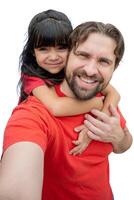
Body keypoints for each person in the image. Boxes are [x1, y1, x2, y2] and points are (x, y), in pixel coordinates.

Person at [0, 21, 132, 200]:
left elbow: (124, 144)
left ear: (114, 68)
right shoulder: (33, 113)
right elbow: (15, 189)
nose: (91, 70)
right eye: (83, 55)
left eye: (104, 61)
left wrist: (117, 137)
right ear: (69, 54)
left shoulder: (103, 97)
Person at [18, 9, 120, 155]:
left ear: (73, 47)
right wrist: (97, 103)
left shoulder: (76, 71)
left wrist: (95, 126)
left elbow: (114, 94)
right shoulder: (32, 75)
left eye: (61, 48)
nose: (53, 57)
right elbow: (56, 107)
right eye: (43, 49)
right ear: (33, 52)